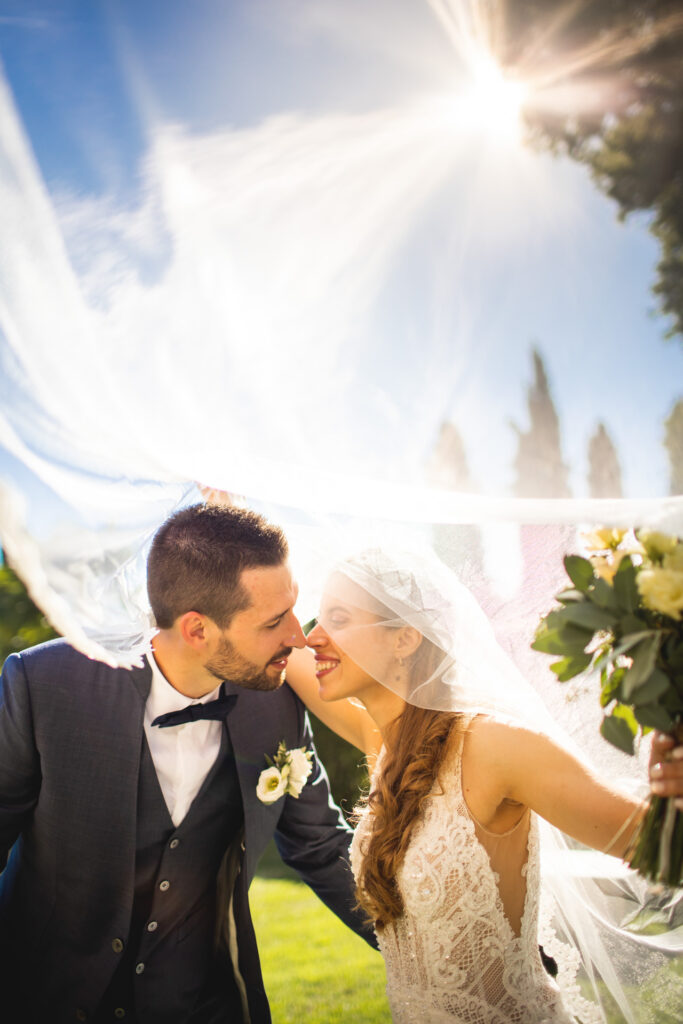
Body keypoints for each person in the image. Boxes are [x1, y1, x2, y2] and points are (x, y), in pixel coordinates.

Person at [0, 503, 374, 1024]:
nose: (299, 635)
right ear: (197, 630)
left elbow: (322, 846)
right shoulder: (44, 683)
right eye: (273, 622)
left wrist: (430, 951)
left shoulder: (278, 703)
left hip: (207, 1006)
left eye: (294, 609)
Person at [286, 546, 683, 1024]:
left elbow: (656, 842)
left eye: (339, 618)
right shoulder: (386, 744)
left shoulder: (493, 746)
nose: (313, 638)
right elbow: (281, 647)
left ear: (405, 639)